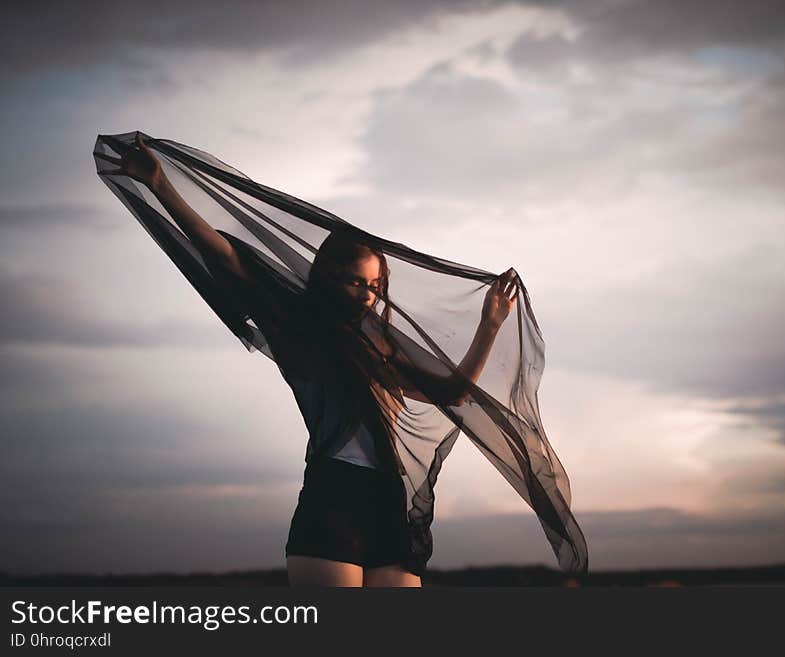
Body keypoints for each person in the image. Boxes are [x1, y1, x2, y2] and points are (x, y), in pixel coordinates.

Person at [99, 133, 520, 587]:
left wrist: (490, 325)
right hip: (332, 496)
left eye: (376, 286)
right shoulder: (298, 328)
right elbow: (226, 258)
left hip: (388, 498)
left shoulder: (384, 349)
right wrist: (163, 188)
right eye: (359, 282)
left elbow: (453, 393)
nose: (369, 294)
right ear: (330, 279)